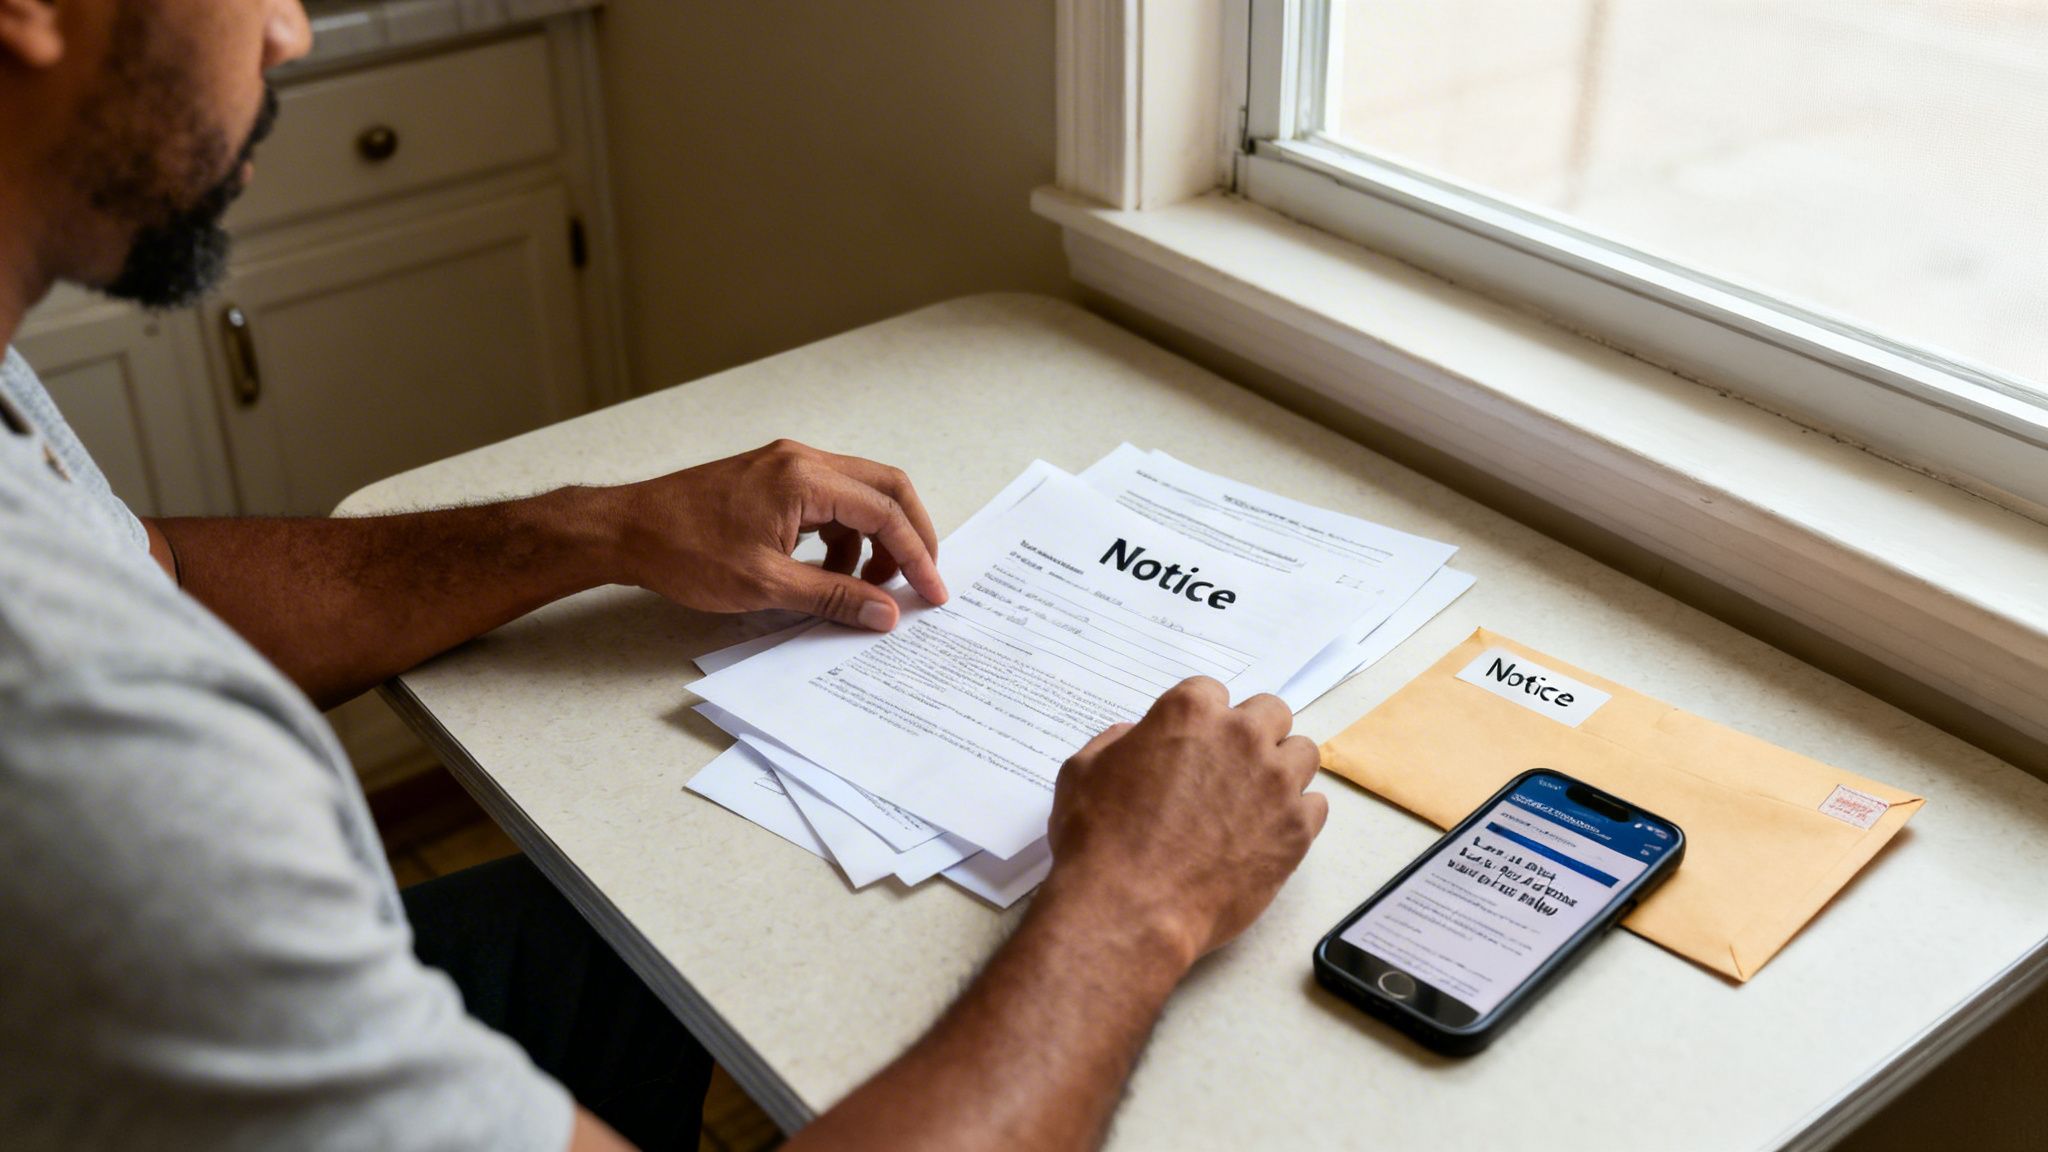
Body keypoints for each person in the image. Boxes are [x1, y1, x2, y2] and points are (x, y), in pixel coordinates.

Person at [0, 3, 1329, 1150]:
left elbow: (151, 569)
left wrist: (603, 530)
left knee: (623, 932)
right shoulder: (84, 749)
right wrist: (1141, 901)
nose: (289, 29)